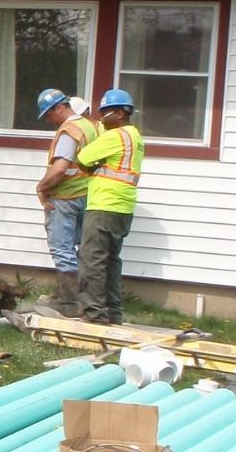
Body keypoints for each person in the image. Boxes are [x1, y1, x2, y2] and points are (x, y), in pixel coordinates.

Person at [74, 89, 145, 325]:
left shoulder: (115, 137)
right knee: (111, 260)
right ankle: (113, 312)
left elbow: (83, 157)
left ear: (121, 113)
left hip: (104, 204)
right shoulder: (134, 137)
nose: (102, 117)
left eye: (106, 112)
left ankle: (94, 314)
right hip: (123, 207)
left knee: (92, 259)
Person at [33, 89, 103, 317]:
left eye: (47, 115)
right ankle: (85, 300)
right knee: (84, 249)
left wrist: (42, 187)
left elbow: (61, 167)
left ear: (59, 108)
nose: (48, 121)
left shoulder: (68, 131)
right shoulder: (91, 126)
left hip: (65, 197)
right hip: (87, 194)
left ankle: (68, 302)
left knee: (62, 248)